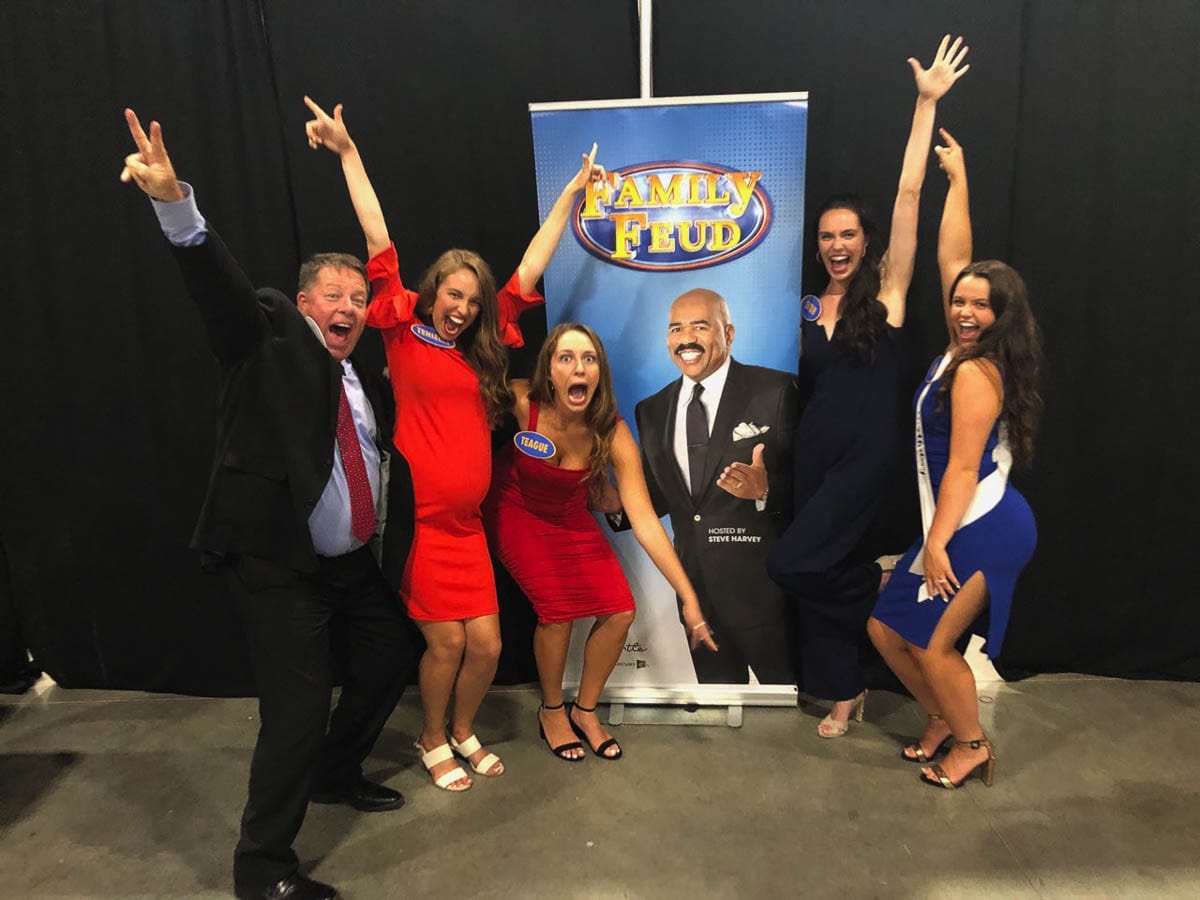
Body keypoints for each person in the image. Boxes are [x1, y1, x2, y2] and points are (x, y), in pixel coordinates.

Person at [120, 109, 414, 900]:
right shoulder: (272, 334)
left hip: (345, 563)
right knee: (297, 706)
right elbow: (220, 296)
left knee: (393, 650)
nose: (350, 305)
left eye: (359, 295)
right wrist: (174, 205)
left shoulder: (363, 377)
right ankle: (264, 872)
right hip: (279, 563)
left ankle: (334, 770)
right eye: (333, 294)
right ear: (303, 301)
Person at [305, 97, 599, 789]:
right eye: (454, 294)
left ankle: (463, 729)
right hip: (422, 526)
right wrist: (349, 154)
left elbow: (533, 263)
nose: (463, 306)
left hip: (469, 527)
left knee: (490, 645)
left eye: (473, 298)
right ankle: (431, 736)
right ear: (433, 290)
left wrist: (569, 199)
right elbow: (376, 234)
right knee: (446, 642)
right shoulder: (402, 327)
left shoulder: (482, 346)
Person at [764, 35, 970, 737]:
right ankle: (844, 689)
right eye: (825, 236)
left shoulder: (887, 295)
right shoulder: (802, 307)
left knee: (795, 563)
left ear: (865, 238)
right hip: (815, 458)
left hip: (867, 457)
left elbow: (909, 192)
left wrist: (924, 104)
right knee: (821, 564)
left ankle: (878, 588)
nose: (835, 244)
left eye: (846, 233)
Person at [868, 129, 1042, 789]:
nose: (966, 309)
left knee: (933, 643)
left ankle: (970, 744)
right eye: (960, 301)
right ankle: (942, 717)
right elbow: (956, 255)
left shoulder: (975, 373)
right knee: (888, 629)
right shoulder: (958, 349)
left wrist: (935, 545)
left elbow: (964, 471)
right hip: (956, 518)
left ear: (1001, 315)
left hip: (984, 524)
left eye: (980, 304)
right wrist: (959, 180)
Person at [483, 323, 717, 760]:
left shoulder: (610, 429)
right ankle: (552, 710)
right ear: (548, 370)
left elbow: (645, 520)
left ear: (600, 372)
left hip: (568, 518)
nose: (579, 368)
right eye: (566, 358)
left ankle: (585, 711)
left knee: (620, 610)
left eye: (589, 359)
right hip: (515, 511)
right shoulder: (522, 399)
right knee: (557, 609)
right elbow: (464, 395)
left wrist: (689, 599)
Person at [633, 289, 799, 685]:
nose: (685, 339)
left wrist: (766, 490)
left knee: (792, 719)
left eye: (699, 326)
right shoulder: (651, 410)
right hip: (696, 599)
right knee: (720, 721)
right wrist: (613, 502)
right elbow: (661, 496)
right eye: (676, 329)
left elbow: (814, 488)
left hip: (768, 598)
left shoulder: (777, 391)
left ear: (729, 333)